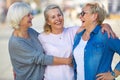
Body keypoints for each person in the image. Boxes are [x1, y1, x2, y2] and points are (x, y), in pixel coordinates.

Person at [38, 4, 116, 80]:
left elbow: (92, 25)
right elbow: (38, 59)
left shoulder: (74, 31)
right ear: (48, 22)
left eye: (59, 15)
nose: (58, 19)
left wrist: (105, 25)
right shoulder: (41, 37)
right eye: (53, 17)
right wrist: (66, 61)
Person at [7, 2, 72, 80]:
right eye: (28, 15)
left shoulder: (30, 31)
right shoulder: (16, 42)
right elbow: (41, 58)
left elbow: (46, 40)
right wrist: (67, 61)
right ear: (19, 18)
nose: (32, 17)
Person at [73, 2, 120, 80]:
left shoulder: (106, 35)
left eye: (83, 13)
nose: (80, 16)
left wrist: (113, 74)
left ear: (94, 16)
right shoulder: (78, 36)